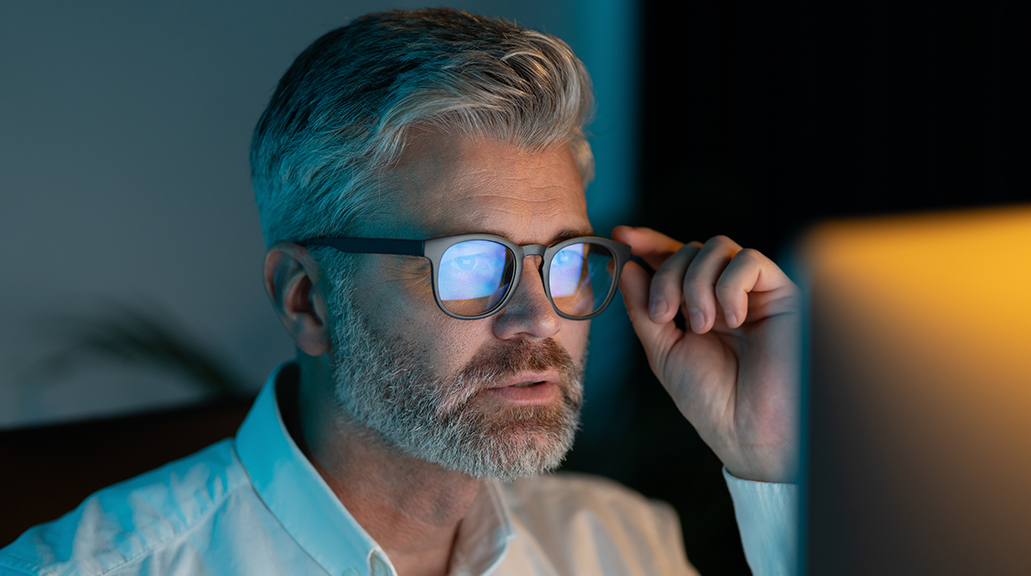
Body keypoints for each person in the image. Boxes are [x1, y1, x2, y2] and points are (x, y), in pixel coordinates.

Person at [0, 8, 799, 576]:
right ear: (307, 300)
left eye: (563, 260)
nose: (539, 316)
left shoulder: (618, 546)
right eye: (469, 264)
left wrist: (772, 456)